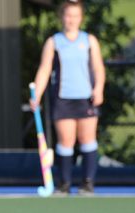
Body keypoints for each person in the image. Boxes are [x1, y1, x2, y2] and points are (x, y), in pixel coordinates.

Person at [30, 0, 105, 195]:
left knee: (87, 139)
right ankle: (64, 184)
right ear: (62, 17)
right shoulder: (54, 42)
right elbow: (44, 70)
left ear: (81, 18)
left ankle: (88, 183)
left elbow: (98, 67)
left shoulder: (89, 41)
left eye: (75, 16)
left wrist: (99, 89)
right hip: (63, 98)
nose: (71, 20)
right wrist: (36, 94)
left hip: (86, 98)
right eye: (68, 15)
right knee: (66, 141)